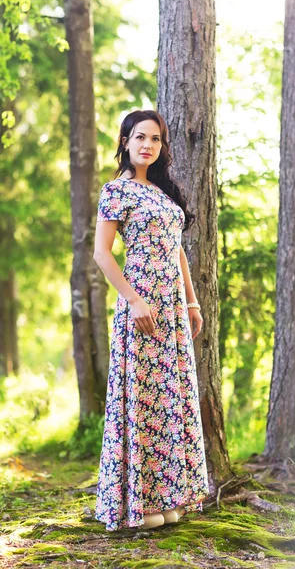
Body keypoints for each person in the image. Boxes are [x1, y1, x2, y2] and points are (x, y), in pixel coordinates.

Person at [93, 109, 210, 532]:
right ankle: (137, 504)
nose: (147, 144)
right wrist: (134, 301)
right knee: (142, 399)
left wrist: (193, 303)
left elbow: (177, 251)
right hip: (139, 304)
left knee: (170, 398)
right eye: (139, 137)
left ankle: (170, 494)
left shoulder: (162, 193)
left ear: (161, 147)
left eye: (155, 139)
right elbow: (102, 254)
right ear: (125, 141)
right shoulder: (116, 191)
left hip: (174, 306)